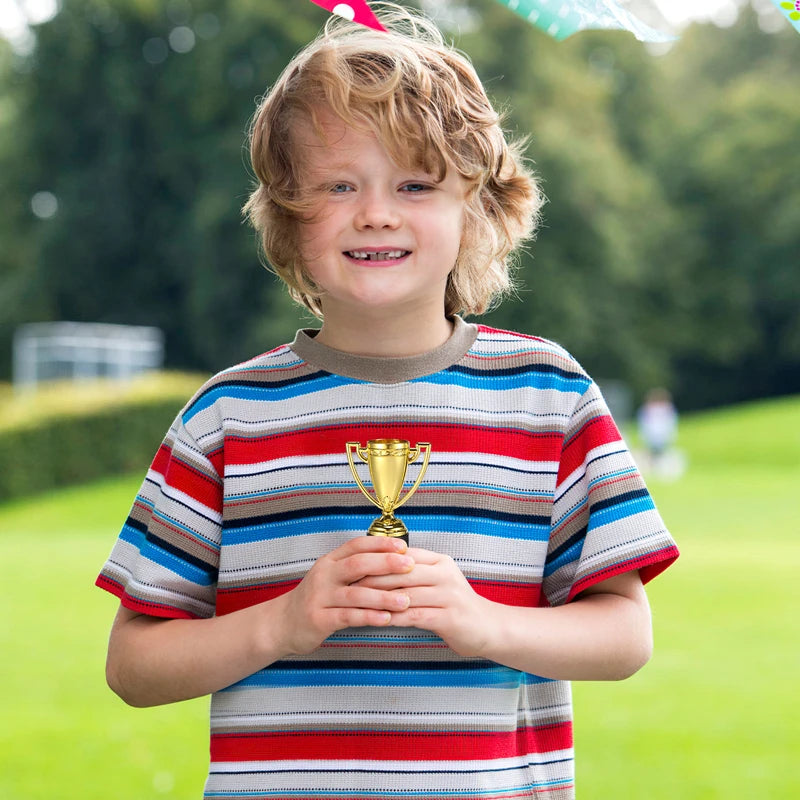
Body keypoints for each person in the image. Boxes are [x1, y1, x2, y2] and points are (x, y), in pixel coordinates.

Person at [97, 6, 679, 798]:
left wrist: (484, 623)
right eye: (339, 185)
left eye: (415, 183)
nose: (375, 211)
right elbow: (133, 665)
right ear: (288, 216)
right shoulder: (226, 417)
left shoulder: (549, 396)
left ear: (475, 207)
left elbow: (625, 635)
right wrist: (282, 622)